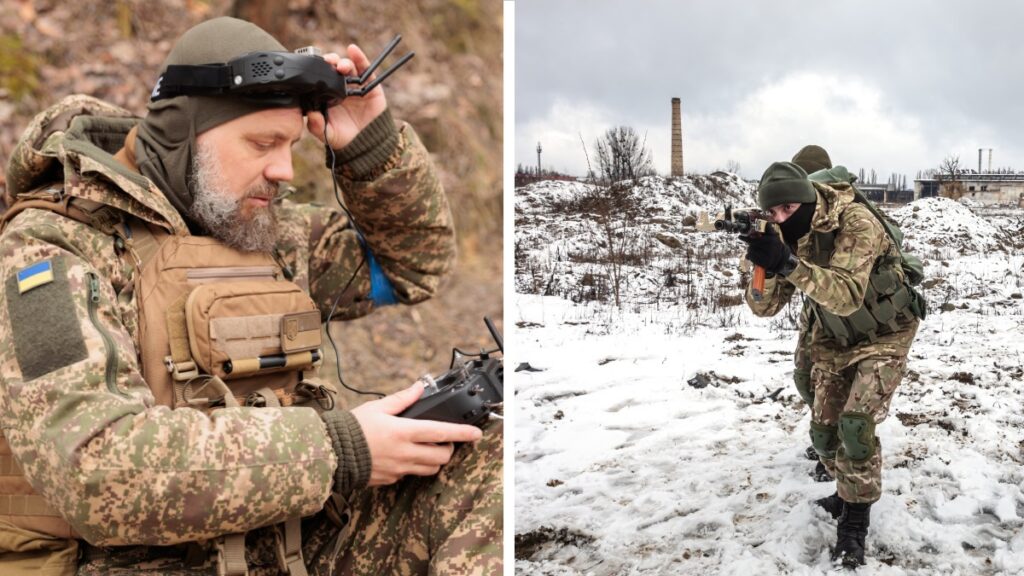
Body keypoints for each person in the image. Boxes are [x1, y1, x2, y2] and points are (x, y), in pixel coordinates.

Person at [0, 17, 501, 576]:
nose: (284, 170)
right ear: (183, 133)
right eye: (263, 143)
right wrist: (345, 449)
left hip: (290, 537)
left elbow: (413, 265)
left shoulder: (254, 228)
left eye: (290, 145)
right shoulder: (49, 250)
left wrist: (369, 145)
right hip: (139, 563)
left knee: (487, 455)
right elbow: (93, 469)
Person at [742, 161, 921, 567]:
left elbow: (846, 295)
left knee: (855, 426)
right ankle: (846, 491)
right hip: (834, 335)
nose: (783, 219)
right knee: (824, 435)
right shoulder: (784, 234)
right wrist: (762, 263)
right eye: (775, 213)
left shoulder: (855, 221)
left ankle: (854, 524)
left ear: (806, 200)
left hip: (885, 331)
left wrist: (787, 262)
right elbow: (764, 307)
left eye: (789, 209)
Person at [790, 144, 835, 484]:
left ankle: (830, 452)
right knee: (805, 378)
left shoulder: (842, 217)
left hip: (842, 315)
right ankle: (824, 440)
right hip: (813, 312)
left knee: (830, 384)